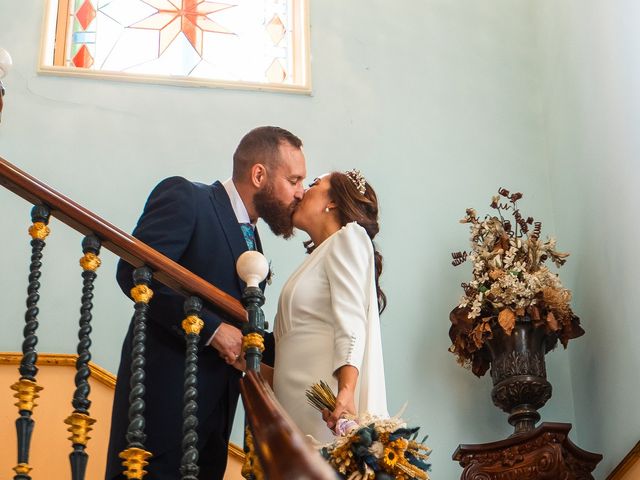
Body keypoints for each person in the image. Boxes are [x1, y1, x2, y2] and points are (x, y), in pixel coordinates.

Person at [105, 126, 306, 479]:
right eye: (294, 181)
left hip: (215, 414)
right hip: (162, 405)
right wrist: (213, 331)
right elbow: (133, 273)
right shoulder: (188, 198)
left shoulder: (252, 235)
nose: (300, 193)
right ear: (259, 174)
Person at [272, 170, 388, 444]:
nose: (301, 192)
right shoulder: (313, 261)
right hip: (290, 407)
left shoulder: (348, 237)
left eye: (313, 183)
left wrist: (346, 391)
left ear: (333, 202)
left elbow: (352, 320)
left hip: (324, 405)